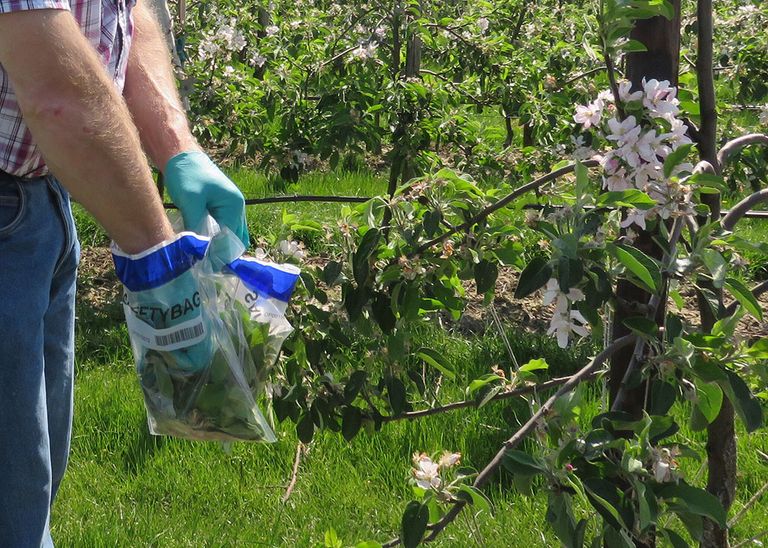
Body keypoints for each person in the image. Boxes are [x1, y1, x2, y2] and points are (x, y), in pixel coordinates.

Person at [0, 0, 249, 545]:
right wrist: (161, 262)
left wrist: (174, 142)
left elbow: (122, 9)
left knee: (28, 488)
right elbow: (57, 96)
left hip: (39, 203)